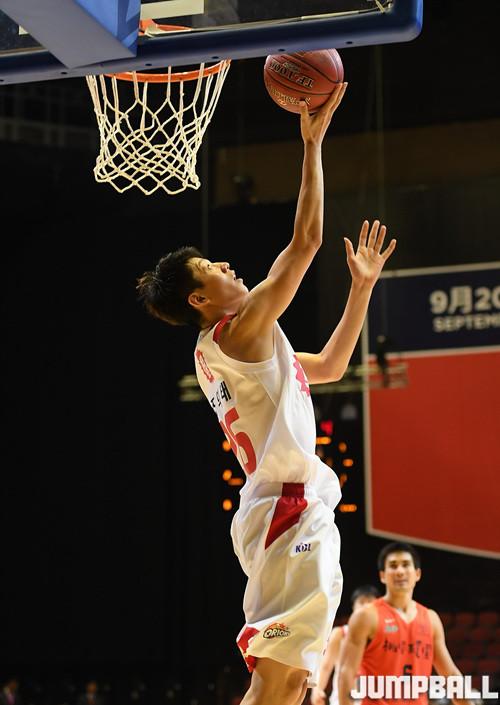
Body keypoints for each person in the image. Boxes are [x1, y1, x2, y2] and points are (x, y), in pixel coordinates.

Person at [137, 82, 397, 705]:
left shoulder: (240, 348)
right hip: (286, 507)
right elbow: (305, 243)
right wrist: (312, 144)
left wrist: (361, 288)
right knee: (281, 681)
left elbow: (329, 365)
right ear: (199, 299)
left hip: (285, 508)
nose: (227, 266)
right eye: (212, 270)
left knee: (291, 680)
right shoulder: (240, 332)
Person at [337, 542, 468, 705]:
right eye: (393, 566)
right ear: (382, 576)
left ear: (417, 574)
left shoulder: (431, 619)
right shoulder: (366, 616)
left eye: (406, 565)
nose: (400, 571)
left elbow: (451, 675)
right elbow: (347, 672)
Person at [311, 585, 380, 705]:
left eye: (370, 602)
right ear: (353, 607)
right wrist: (317, 689)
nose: (365, 607)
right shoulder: (340, 633)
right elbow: (326, 665)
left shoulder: (385, 635)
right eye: (361, 602)